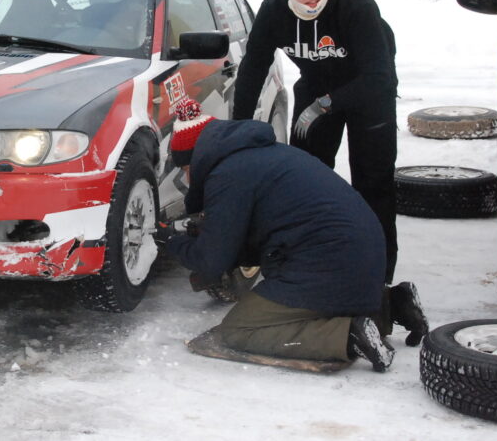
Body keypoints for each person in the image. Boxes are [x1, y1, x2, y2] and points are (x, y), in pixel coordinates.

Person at [160, 98, 397, 371]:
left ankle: (348, 337)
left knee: (239, 330)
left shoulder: (227, 175)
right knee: (312, 293)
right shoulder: (264, 156)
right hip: (364, 258)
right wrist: (210, 231)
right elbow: (261, 235)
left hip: (331, 266)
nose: (188, 179)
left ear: (197, 158)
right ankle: (393, 306)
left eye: (186, 170)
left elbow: (212, 261)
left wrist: (172, 243)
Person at [233, 0, 402, 288]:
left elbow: (379, 76)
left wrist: (324, 105)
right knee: (305, 178)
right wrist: (239, 125)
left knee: (373, 184)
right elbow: (253, 67)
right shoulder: (274, 10)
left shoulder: (355, 4)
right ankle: (309, 257)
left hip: (370, 92)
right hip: (317, 86)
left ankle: (378, 277)